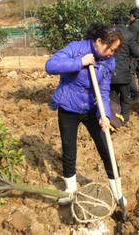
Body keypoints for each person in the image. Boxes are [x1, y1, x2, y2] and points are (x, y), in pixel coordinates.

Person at [45, 23, 124, 205]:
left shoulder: (108, 61)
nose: (112, 53)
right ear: (98, 41)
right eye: (110, 49)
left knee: (105, 148)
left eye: (115, 50)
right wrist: (80, 62)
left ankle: (118, 193)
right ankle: (70, 191)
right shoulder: (76, 49)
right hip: (69, 107)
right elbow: (50, 65)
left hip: (91, 109)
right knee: (69, 149)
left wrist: (104, 114)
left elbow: (103, 91)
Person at [110, 15, 139, 124]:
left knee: (113, 97)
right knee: (125, 98)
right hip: (124, 72)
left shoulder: (110, 35)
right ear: (126, 24)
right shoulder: (129, 35)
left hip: (110, 71)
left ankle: (114, 120)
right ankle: (124, 120)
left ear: (114, 23)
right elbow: (137, 52)